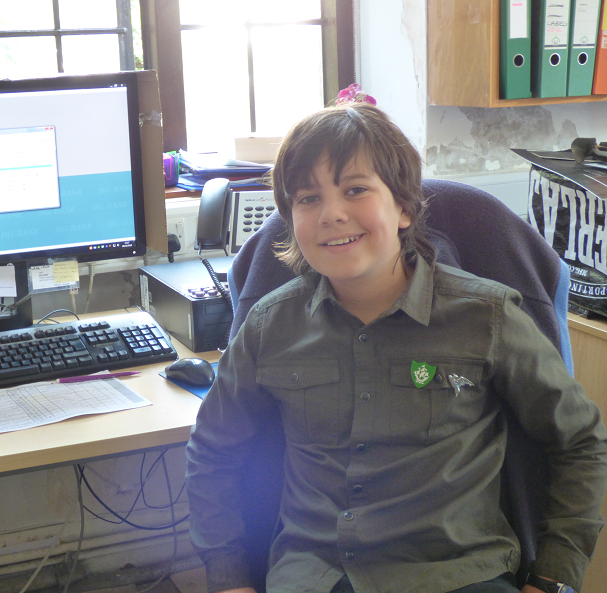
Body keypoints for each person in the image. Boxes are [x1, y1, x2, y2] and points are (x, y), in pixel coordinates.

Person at [184, 102, 607, 593]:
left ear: (404, 207)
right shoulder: (269, 325)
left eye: (355, 190)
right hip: (318, 576)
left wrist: (555, 577)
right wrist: (228, 577)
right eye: (308, 198)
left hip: (458, 575)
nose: (331, 214)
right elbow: (212, 452)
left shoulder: (487, 316)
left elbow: (579, 441)